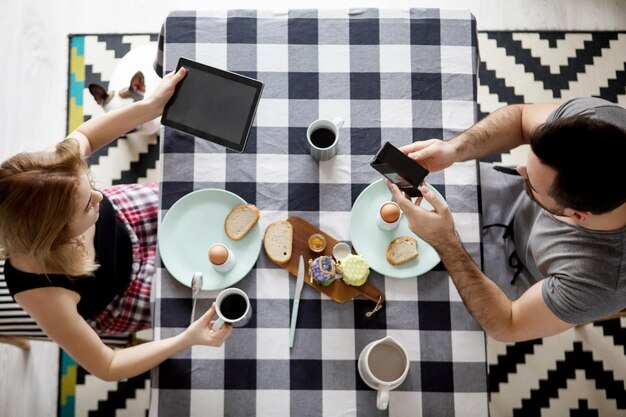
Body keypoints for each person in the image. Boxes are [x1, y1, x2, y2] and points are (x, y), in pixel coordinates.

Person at [0, 67, 232, 381]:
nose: (99, 195)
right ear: (54, 236)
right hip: (126, 294)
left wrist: (149, 106)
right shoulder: (40, 290)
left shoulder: (49, 175)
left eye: (90, 184)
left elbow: (86, 136)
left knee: (219, 208)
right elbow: (107, 366)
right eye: (86, 204)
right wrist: (187, 338)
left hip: (129, 216)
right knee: (223, 291)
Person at [386, 97, 626, 343]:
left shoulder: (600, 282)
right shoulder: (594, 124)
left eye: (532, 182)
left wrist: (445, 242)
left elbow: (507, 324)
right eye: (530, 160)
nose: (520, 169)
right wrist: (456, 149)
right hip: (506, 196)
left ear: (577, 214)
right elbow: (521, 119)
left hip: (516, 277)